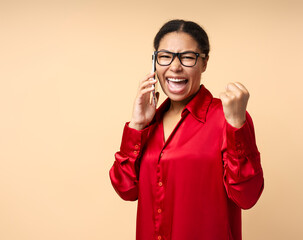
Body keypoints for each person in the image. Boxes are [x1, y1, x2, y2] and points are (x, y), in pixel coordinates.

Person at [109, 19, 264, 240]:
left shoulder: (227, 117)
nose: (174, 66)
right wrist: (136, 125)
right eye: (165, 56)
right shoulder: (149, 122)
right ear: (155, 61)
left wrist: (237, 125)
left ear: (204, 63)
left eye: (187, 57)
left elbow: (247, 197)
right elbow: (126, 189)